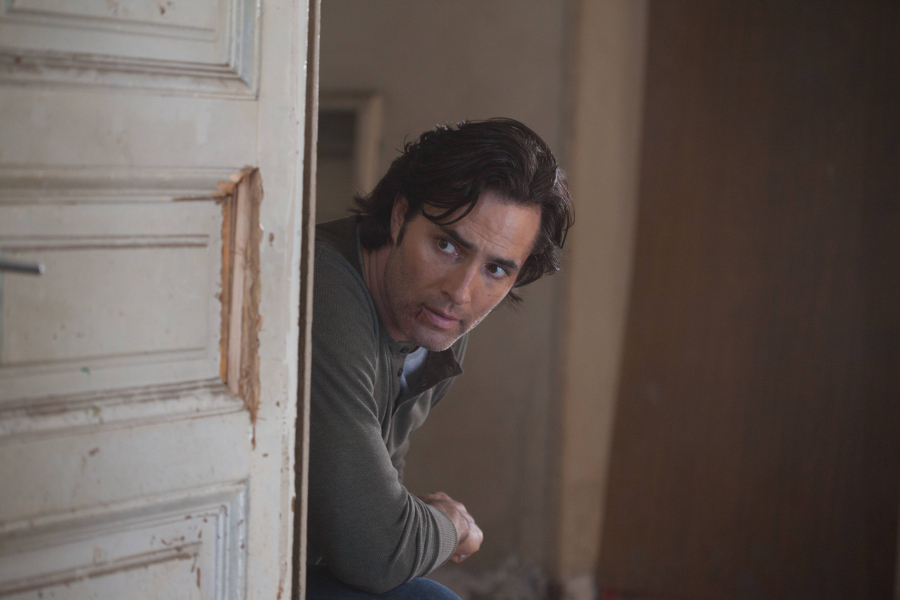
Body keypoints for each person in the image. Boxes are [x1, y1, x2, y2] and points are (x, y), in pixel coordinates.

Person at [307, 118, 573, 599]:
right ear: (399, 217)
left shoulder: (436, 325)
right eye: (447, 245)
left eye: (496, 270)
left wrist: (404, 526)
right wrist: (452, 524)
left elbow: (376, 520)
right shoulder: (322, 290)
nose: (461, 292)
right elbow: (375, 550)